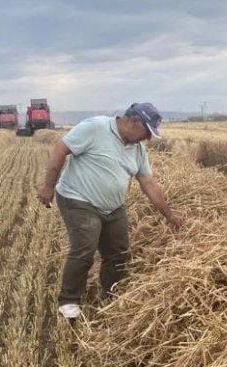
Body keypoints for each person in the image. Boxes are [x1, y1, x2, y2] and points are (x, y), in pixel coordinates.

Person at [37, 102, 184, 319]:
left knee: (119, 251)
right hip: (78, 199)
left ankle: (109, 295)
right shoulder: (96, 127)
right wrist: (49, 185)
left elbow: (148, 183)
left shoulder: (137, 149)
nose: (148, 139)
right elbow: (61, 148)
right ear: (134, 122)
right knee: (84, 247)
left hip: (112, 207)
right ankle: (68, 301)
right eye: (147, 132)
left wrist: (170, 215)